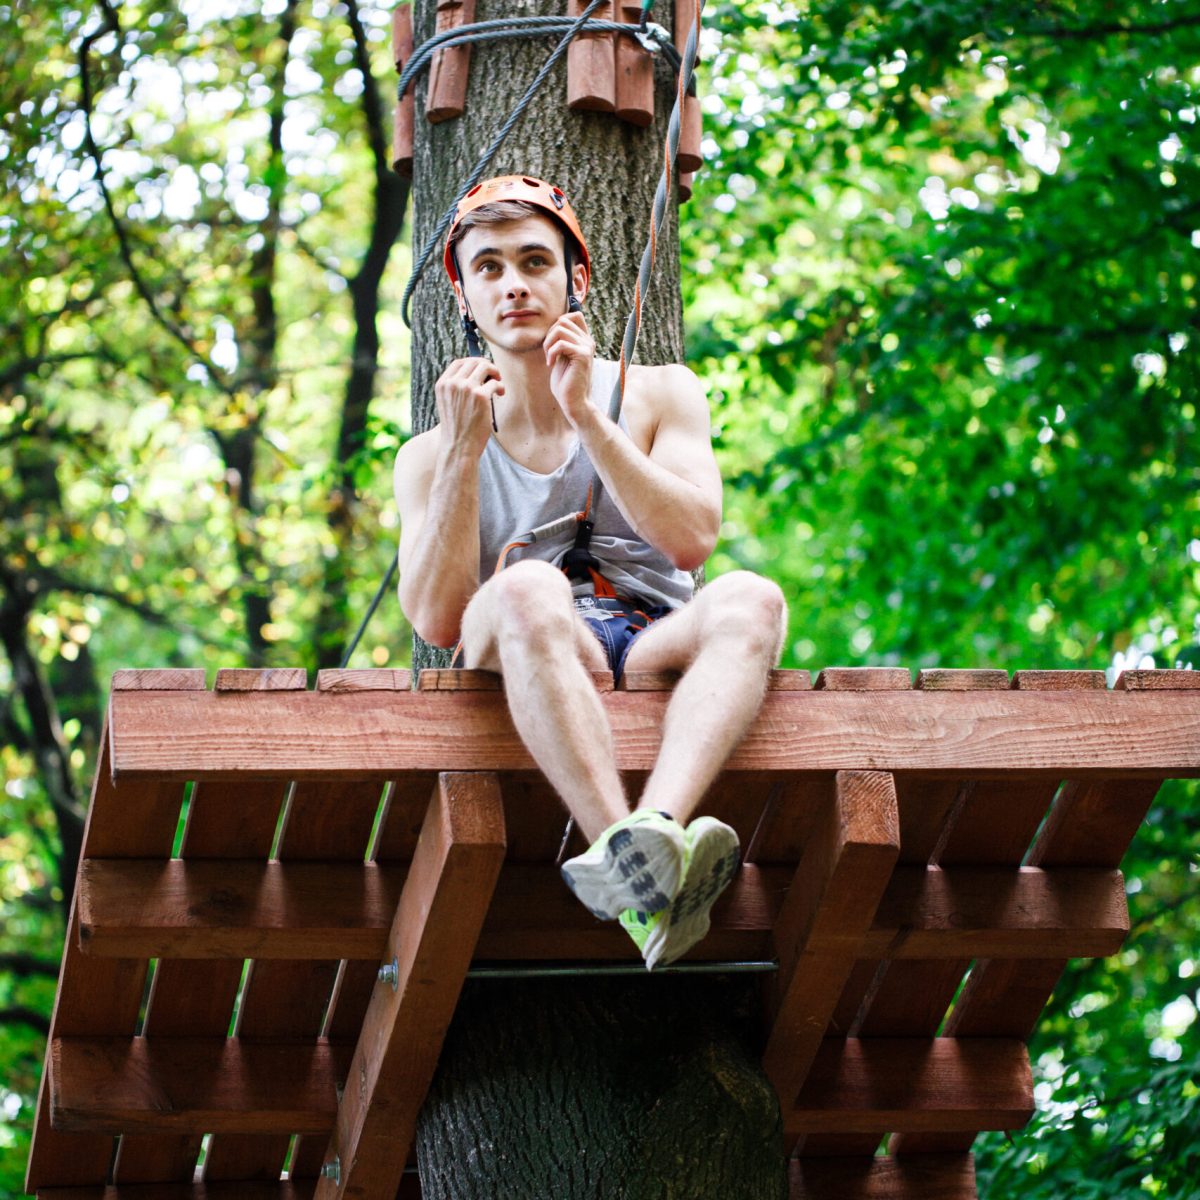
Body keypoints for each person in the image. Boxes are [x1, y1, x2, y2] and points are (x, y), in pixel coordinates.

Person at [394, 175, 786, 969]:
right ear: (463, 299)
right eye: (490, 269)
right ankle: (622, 842)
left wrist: (590, 420)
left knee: (753, 595)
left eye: (535, 262)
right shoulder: (430, 453)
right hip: (525, 637)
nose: (513, 285)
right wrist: (465, 452)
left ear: (575, 278)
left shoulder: (659, 393)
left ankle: (654, 838)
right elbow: (436, 619)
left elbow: (692, 542)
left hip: (648, 635)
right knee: (532, 587)